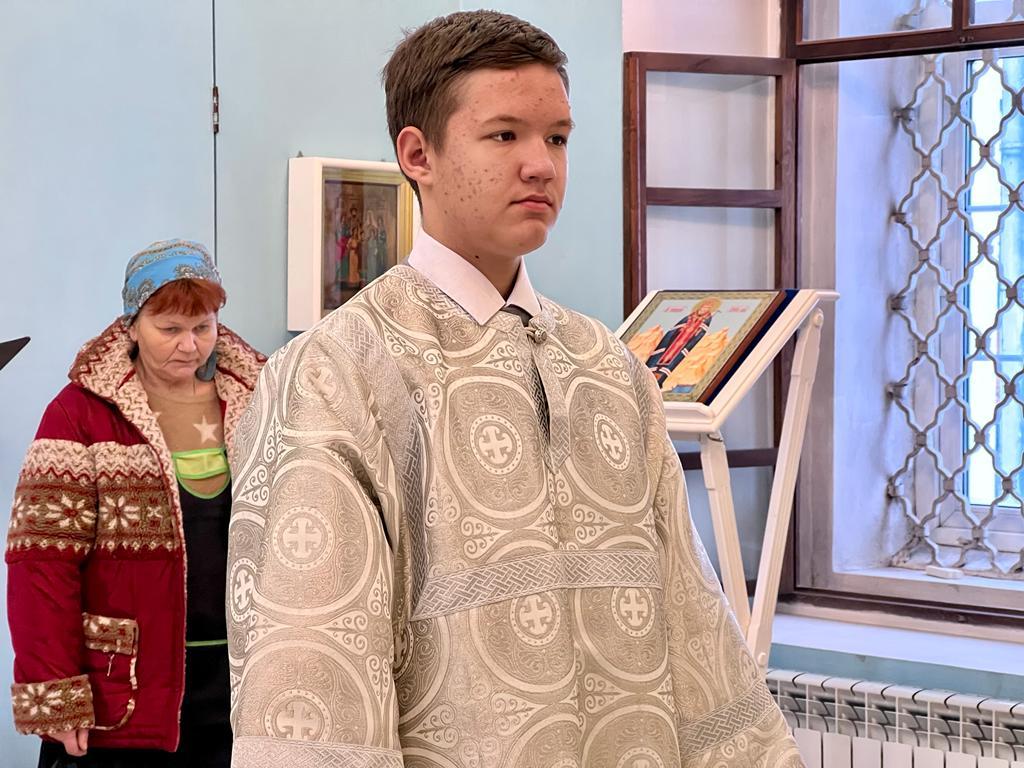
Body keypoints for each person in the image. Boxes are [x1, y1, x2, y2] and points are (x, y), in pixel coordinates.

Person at [227, 11, 801, 768]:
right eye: (505, 135)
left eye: (557, 138)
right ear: (418, 154)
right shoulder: (340, 372)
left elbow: (691, 616)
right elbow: (314, 668)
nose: (541, 166)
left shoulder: (607, 366)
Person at [7, 240, 266, 767]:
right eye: (169, 329)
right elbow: (41, 560)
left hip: (242, 686)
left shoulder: (261, 399)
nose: (190, 346)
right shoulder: (79, 414)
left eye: (203, 327)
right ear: (131, 325)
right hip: (122, 693)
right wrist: (55, 690)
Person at [646, 297, 722, 386]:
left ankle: (659, 380)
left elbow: (701, 333)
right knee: (659, 357)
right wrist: (681, 329)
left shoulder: (707, 319)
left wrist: (694, 336)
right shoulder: (689, 317)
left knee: (672, 361)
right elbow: (676, 328)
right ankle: (648, 377)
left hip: (684, 344)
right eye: (703, 307)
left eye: (707, 308)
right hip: (674, 341)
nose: (703, 310)